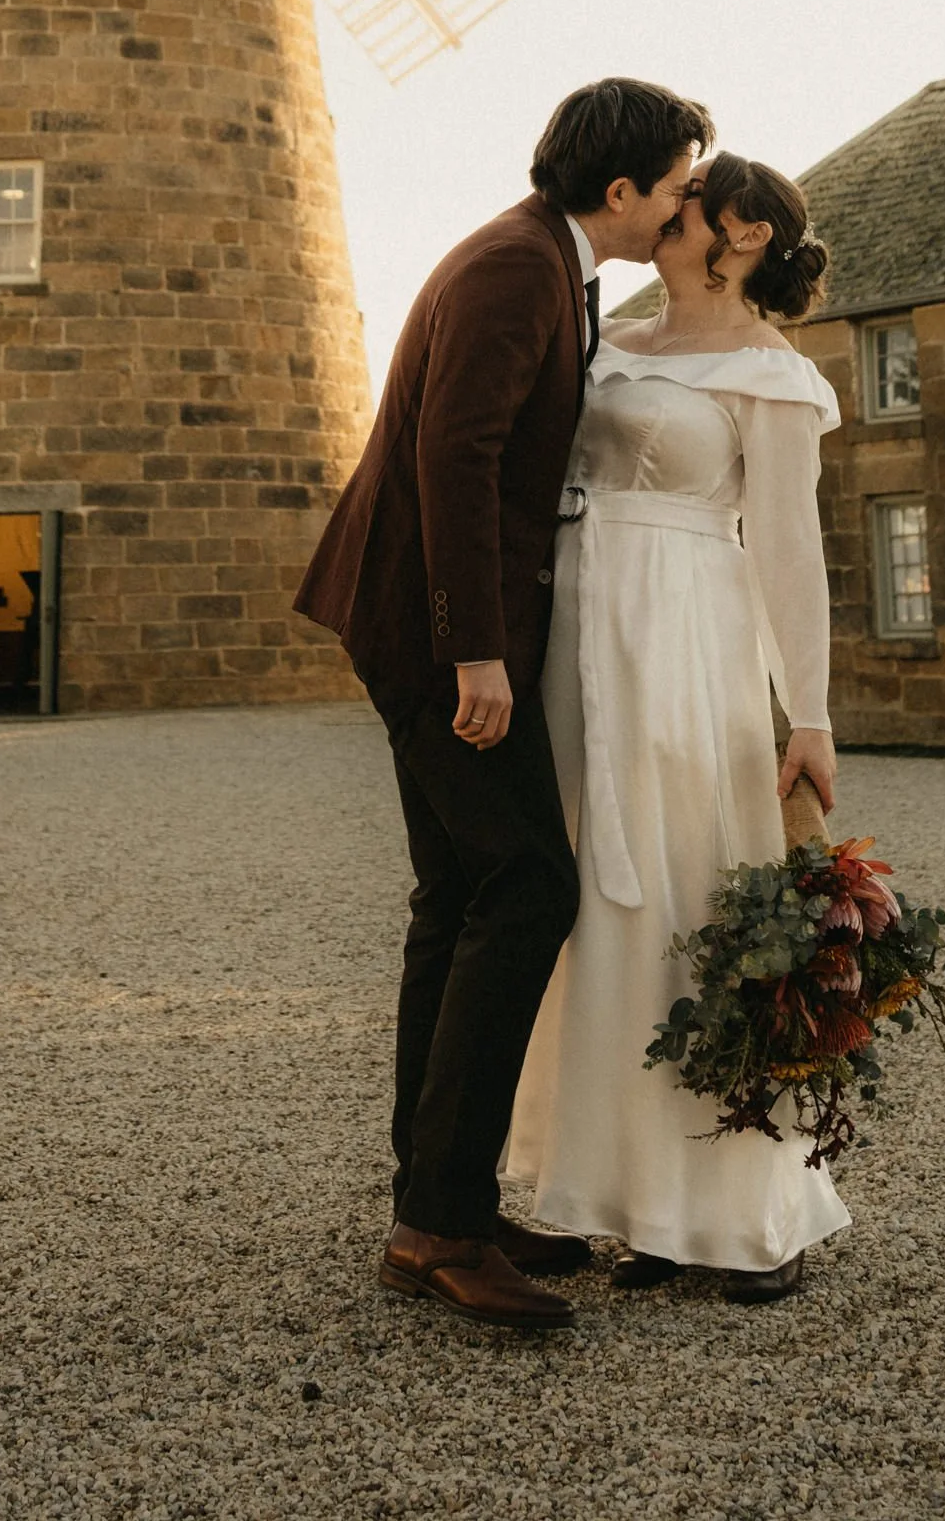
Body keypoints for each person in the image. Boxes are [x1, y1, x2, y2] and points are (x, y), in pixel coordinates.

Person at [296, 79, 710, 1332]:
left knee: (458, 895)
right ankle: (437, 1227)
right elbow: (454, 454)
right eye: (675, 188)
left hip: (419, 623)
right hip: (430, 634)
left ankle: (439, 1203)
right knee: (528, 885)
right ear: (620, 190)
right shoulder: (513, 270)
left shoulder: (548, 264)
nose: (683, 207)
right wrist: (473, 651)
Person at [501, 152, 851, 1299]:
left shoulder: (768, 372)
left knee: (687, 891)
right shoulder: (607, 340)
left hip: (686, 644)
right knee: (597, 915)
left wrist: (808, 713)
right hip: (577, 635)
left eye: (691, 199)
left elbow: (789, 552)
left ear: (742, 235)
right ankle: (636, 1204)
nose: (666, 205)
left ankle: (742, 1211)